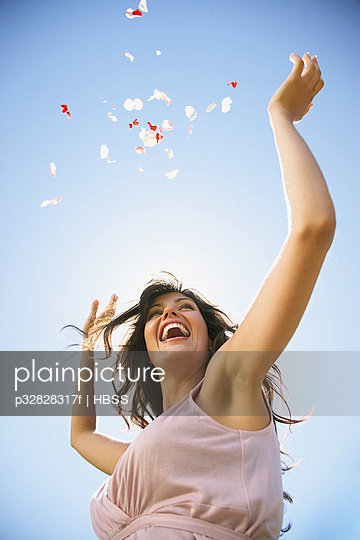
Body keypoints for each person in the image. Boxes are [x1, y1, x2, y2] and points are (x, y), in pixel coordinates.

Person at [70, 53, 336, 539]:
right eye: (155, 313)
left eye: (184, 307)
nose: (169, 311)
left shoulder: (228, 385)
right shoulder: (145, 457)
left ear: (212, 339)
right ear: (145, 347)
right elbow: (81, 437)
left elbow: (314, 228)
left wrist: (280, 116)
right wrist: (87, 351)